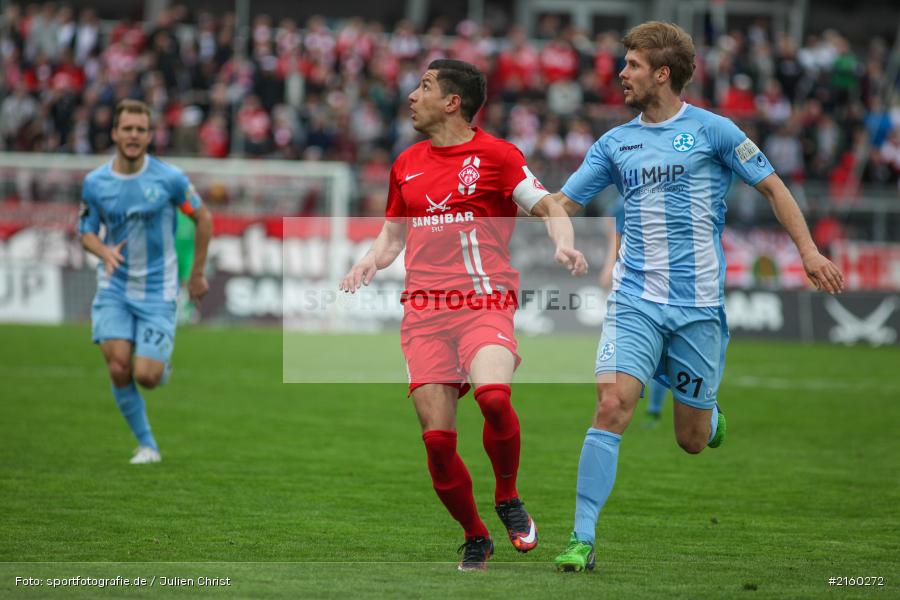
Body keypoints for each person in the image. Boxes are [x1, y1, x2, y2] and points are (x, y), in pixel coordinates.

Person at [548, 22, 844, 572]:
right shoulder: (614, 143)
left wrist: (808, 252)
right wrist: (515, 199)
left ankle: (707, 414)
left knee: (690, 438)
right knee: (612, 404)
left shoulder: (716, 132)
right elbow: (564, 202)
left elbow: (775, 187)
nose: (621, 73)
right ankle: (582, 539)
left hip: (697, 309)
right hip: (634, 298)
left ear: (662, 74)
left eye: (633, 64)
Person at [340, 59, 587, 571]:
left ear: (453, 102)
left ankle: (507, 497)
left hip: (484, 301)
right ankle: (476, 535)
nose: (411, 96)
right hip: (424, 313)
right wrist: (369, 259)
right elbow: (392, 235)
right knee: (436, 442)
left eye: (424, 86)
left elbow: (547, 205)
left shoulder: (497, 155)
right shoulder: (405, 163)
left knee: (495, 397)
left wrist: (563, 244)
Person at [79, 99, 213, 464]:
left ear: (150, 135)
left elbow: (203, 218)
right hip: (115, 288)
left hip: (158, 290)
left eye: (140, 129)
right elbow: (85, 232)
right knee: (119, 365)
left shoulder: (169, 179)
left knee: (147, 376)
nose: (134, 135)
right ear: (115, 133)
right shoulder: (95, 183)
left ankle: (159, 363)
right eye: (128, 129)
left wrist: (197, 274)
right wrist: (103, 251)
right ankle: (147, 445)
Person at [600, 196, 668, 426]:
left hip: (657, 289)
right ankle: (648, 407)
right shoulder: (626, 203)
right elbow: (616, 236)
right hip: (637, 288)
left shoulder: (626, 202)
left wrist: (607, 269)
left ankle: (651, 407)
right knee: (652, 352)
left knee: (658, 352)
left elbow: (615, 238)